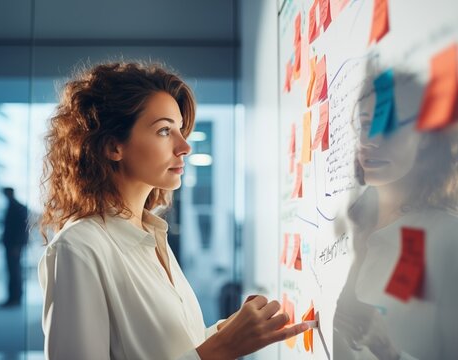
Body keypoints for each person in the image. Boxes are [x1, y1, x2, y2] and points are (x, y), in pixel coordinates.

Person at [38, 62, 309, 360]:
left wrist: (223, 333)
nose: (184, 146)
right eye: (164, 130)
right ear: (114, 146)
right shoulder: (79, 247)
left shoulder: (151, 236)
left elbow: (166, 350)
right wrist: (219, 349)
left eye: (180, 129)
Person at [333, 71, 458, 360]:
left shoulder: (457, 243)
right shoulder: (349, 231)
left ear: (425, 137)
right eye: (365, 124)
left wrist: (390, 353)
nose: (371, 140)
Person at [0, 187, 29, 308]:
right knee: (13, 271)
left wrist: (17, 245)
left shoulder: (17, 207)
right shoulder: (14, 206)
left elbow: (22, 229)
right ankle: (12, 298)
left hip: (14, 246)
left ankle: (15, 298)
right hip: (11, 245)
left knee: (15, 272)